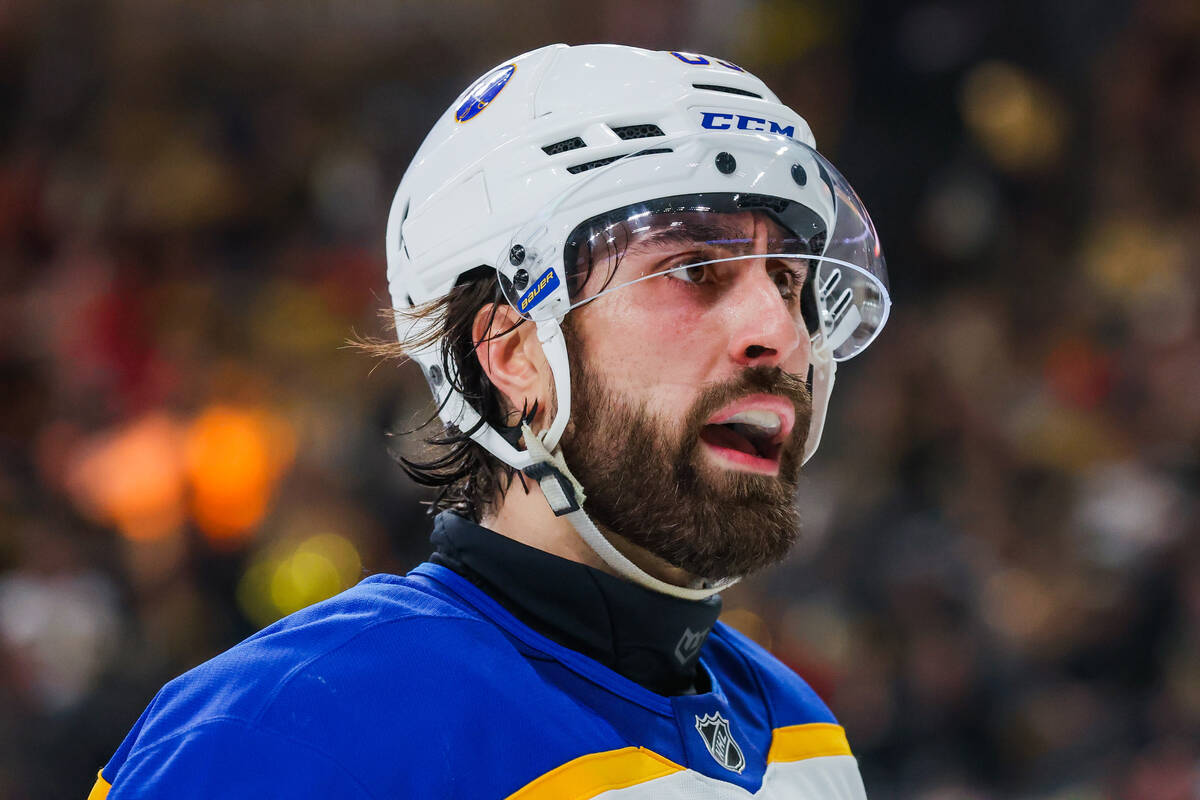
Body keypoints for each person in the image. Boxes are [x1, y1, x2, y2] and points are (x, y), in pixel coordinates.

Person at [89, 43, 890, 799]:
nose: (782, 333)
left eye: (788, 281)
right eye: (694, 269)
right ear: (512, 351)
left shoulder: (801, 731)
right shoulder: (289, 734)